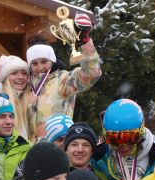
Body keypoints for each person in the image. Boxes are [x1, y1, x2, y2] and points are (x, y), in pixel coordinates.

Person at [26, 12, 102, 140]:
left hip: (58, 146)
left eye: (44, 61)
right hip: (32, 151)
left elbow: (92, 73)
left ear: (52, 60)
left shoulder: (63, 80)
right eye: (34, 63)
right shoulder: (27, 85)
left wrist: (84, 42)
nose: (40, 68)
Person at [0, 55, 34, 140]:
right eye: (14, 73)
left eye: (24, 73)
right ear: (5, 77)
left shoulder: (29, 100)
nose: (20, 77)